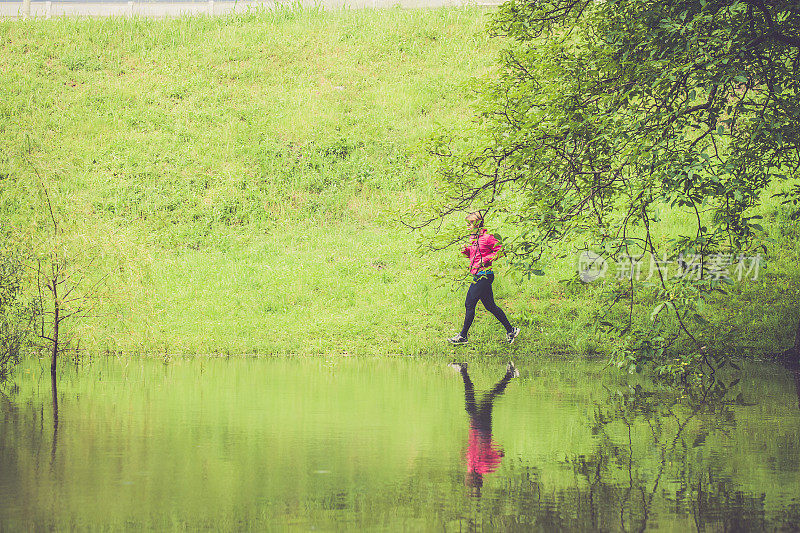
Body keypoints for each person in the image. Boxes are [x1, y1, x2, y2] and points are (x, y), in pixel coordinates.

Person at [448, 361, 519, 498]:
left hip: (476, 429)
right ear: (475, 478)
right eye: (469, 478)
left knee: (480, 402)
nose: (467, 475)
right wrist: (491, 449)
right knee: (485, 400)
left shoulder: (474, 467)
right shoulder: (485, 467)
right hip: (482, 430)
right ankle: (509, 375)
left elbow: (470, 451)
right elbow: (500, 454)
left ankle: (465, 371)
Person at [449, 212, 520, 345]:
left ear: (477, 224)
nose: (468, 227)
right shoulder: (473, 239)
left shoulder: (487, 237)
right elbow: (472, 254)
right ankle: (511, 330)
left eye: (469, 224)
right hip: (477, 275)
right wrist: (465, 250)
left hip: (484, 275)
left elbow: (501, 250)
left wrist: (485, 260)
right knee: (490, 306)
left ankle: (463, 336)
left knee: (469, 304)